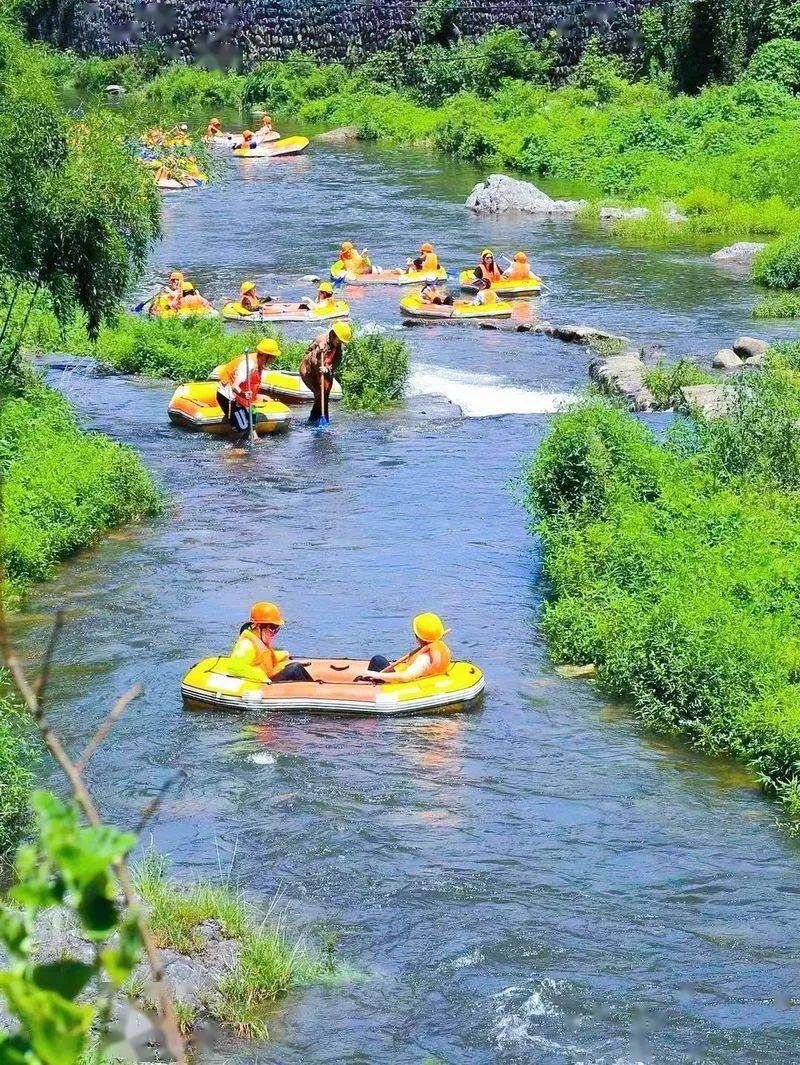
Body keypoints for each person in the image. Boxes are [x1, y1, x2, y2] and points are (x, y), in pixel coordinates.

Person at [228, 602, 312, 683]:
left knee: (296, 666)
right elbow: (234, 667)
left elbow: (263, 658)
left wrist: (283, 654)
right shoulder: (246, 645)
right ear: (258, 626)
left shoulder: (259, 640)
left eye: (276, 628)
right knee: (294, 668)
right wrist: (260, 676)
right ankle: (314, 691)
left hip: (269, 677)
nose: (274, 633)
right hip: (263, 684)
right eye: (271, 628)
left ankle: (315, 687)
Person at [362, 613, 452, 683]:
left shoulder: (423, 659)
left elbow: (406, 677)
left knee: (377, 660)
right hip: (428, 677)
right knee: (379, 661)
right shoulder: (442, 647)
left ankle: (364, 685)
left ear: (418, 638)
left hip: (400, 684)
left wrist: (376, 675)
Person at [216, 339, 280, 432]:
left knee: (250, 422)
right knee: (243, 428)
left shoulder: (258, 362)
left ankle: (255, 439)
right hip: (228, 396)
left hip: (238, 397)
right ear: (266, 355)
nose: (274, 359)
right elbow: (235, 387)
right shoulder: (249, 365)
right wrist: (244, 395)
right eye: (273, 357)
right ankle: (236, 446)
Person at [299, 321, 351, 425]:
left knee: (325, 394)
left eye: (341, 341)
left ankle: (322, 419)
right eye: (339, 340)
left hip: (325, 371)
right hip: (310, 372)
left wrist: (327, 369)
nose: (340, 343)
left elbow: (337, 361)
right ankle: (314, 419)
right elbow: (311, 358)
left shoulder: (337, 346)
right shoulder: (321, 340)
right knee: (319, 393)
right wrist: (319, 352)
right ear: (334, 335)